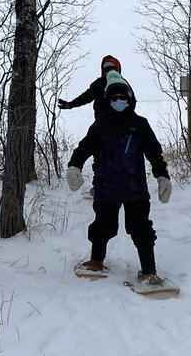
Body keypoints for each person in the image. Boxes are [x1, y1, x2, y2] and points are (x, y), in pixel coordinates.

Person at [66, 70, 172, 285]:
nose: (118, 101)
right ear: (107, 100)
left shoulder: (140, 124)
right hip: (106, 187)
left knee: (141, 228)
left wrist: (163, 177)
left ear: (130, 99)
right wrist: (74, 166)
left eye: (123, 98)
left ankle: (149, 271)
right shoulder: (100, 125)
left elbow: (154, 153)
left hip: (135, 188)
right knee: (103, 226)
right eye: (114, 98)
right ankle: (96, 260)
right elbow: (84, 148)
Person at [58, 54, 135, 120]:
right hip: (102, 122)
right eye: (107, 70)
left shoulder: (123, 84)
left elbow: (132, 101)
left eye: (112, 69)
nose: (109, 72)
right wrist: (71, 104)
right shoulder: (99, 84)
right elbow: (86, 97)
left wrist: (127, 116)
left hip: (124, 122)